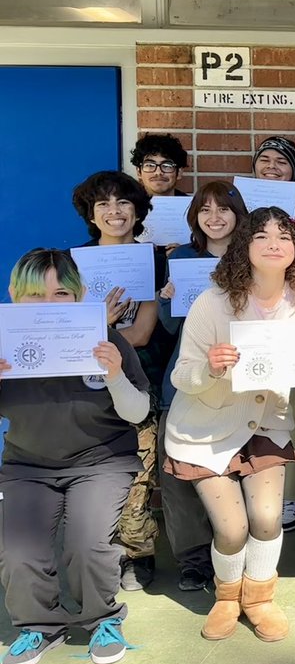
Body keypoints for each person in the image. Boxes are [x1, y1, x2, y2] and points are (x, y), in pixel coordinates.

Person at [164, 207, 295, 642]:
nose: (273, 243)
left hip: (266, 426)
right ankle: (227, 598)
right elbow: (181, 376)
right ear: (244, 246)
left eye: (285, 235)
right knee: (231, 528)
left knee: (266, 520)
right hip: (205, 429)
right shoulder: (213, 301)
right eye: (261, 236)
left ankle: (259, 599)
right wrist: (212, 366)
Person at [0, 250, 150, 664]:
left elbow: (138, 412)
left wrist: (115, 376)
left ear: (81, 294)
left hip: (101, 460)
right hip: (28, 465)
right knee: (17, 550)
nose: (48, 305)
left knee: (87, 546)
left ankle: (102, 619)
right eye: (34, 294)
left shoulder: (105, 338)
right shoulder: (3, 339)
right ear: (13, 294)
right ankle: (40, 625)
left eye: (61, 293)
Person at [71, 170, 166, 591]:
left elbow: (143, 333)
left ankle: (137, 554)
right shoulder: (72, 263)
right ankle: (99, 551)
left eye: (123, 203)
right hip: (85, 382)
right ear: (91, 215)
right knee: (92, 467)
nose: (114, 212)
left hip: (141, 374)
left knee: (141, 466)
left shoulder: (154, 259)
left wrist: (101, 331)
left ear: (137, 210)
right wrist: (99, 328)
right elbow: (67, 333)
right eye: (103, 205)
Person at [158, 181, 249, 591]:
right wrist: (167, 300)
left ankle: (234, 556)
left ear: (238, 214)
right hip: (187, 376)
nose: (214, 217)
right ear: (194, 217)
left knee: (236, 472)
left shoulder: (252, 258)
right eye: (204, 210)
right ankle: (193, 559)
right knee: (181, 474)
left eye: (223, 209)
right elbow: (170, 328)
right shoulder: (182, 258)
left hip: (243, 383)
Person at [249, 136, 295, 237]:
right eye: (264, 160)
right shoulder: (237, 202)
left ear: (293, 171)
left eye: (281, 162)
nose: (271, 166)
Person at [131, 133, 190, 198]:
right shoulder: (126, 206)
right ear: (138, 172)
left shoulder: (194, 206)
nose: (158, 172)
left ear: (179, 172)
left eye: (167, 165)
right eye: (150, 165)